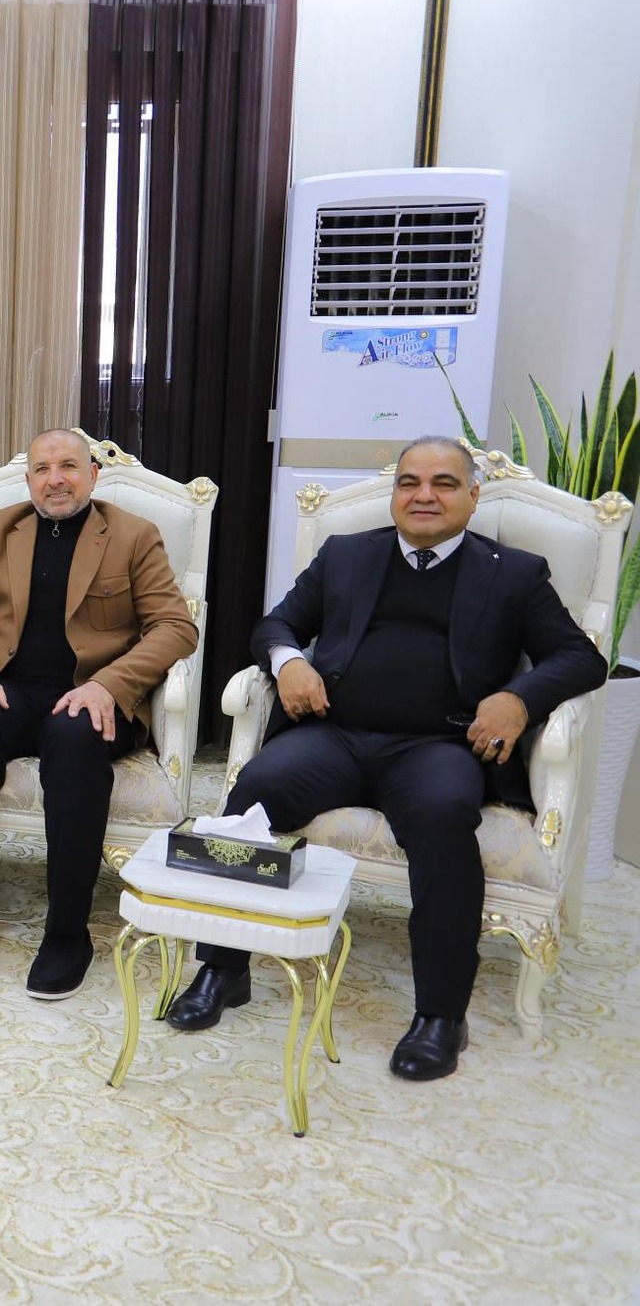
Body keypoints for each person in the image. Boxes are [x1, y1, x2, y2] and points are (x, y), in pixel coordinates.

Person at [166, 436, 605, 1079]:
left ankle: (441, 1015)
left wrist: (519, 697)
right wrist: (288, 663)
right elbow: (276, 625)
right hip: (334, 735)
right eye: (409, 483)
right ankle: (223, 969)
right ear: (395, 493)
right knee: (253, 790)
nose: (424, 496)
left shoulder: (512, 573)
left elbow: (581, 658)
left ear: (473, 495)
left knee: (444, 816)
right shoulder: (347, 554)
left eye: (443, 484)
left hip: (439, 746)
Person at [0, 428, 198, 999]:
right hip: (7, 689)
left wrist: (109, 685)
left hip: (87, 694)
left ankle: (68, 933)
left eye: (68, 466)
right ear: (29, 480)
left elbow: (175, 627)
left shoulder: (134, 534)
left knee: (74, 738)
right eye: (42, 470)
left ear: (92, 475)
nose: (55, 480)